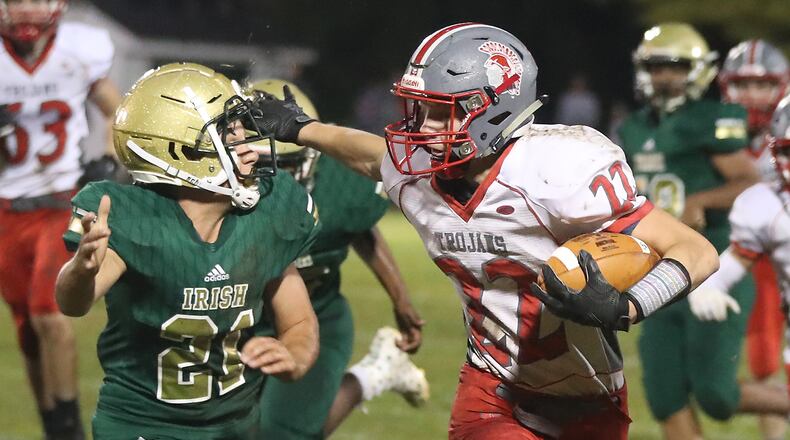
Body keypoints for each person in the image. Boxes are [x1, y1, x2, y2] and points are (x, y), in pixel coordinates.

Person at [249, 22, 720, 440]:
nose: (422, 128)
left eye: (440, 112)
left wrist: (631, 304)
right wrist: (299, 129)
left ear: (492, 110)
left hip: (591, 395)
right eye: (418, 110)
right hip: (491, 388)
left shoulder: (555, 171)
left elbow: (695, 250)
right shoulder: (414, 171)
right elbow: (373, 155)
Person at [54, 63, 320, 439]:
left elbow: (299, 321)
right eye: (229, 130)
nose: (247, 140)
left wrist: (293, 354)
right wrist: (81, 268)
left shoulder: (268, 212)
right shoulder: (133, 217)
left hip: (236, 425)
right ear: (183, 152)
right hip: (141, 426)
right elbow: (74, 303)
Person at [618, 23, 782, 440]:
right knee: (664, 395)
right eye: (656, 67)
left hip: (712, 268)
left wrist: (703, 201)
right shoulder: (635, 127)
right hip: (656, 272)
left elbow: (750, 181)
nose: (664, 77)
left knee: (716, 395)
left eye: (675, 66)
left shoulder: (712, 119)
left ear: (698, 70)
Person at [252, 79, 429, 439]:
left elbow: (357, 227)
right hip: (244, 320)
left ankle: (374, 374)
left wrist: (401, 299)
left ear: (309, 158)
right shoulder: (211, 196)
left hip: (317, 316)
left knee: (281, 432)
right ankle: (379, 371)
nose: (270, 181)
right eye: (258, 166)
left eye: (284, 166)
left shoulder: (335, 184)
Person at [0, 0, 122, 438]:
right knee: (26, 329)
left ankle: (69, 431)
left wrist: (108, 160)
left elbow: (118, 111)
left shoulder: (78, 48)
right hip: (7, 207)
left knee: (48, 314)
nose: (27, 10)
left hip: (60, 199)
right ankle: (54, 425)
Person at [690, 94, 790, 439]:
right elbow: (738, 258)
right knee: (764, 366)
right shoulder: (767, 206)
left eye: (762, 84)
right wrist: (710, 287)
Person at [718, 39, 790, 440]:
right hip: (751, 257)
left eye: (762, 85)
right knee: (763, 361)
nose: (752, 95)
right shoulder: (717, 130)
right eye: (743, 85)